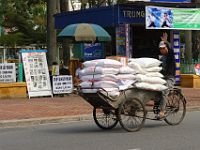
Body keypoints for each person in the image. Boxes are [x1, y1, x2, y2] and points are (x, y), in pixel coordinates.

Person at [157, 32, 176, 119]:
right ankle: (158, 106)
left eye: (163, 48)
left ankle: (162, 111)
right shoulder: (162, 57)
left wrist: (166, 41)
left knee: (164, 92)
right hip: (163, 78)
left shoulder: (170, 55)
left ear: (166, 48)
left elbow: (171, 49)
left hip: (170, 78)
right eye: (160, 49)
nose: (162, 50)